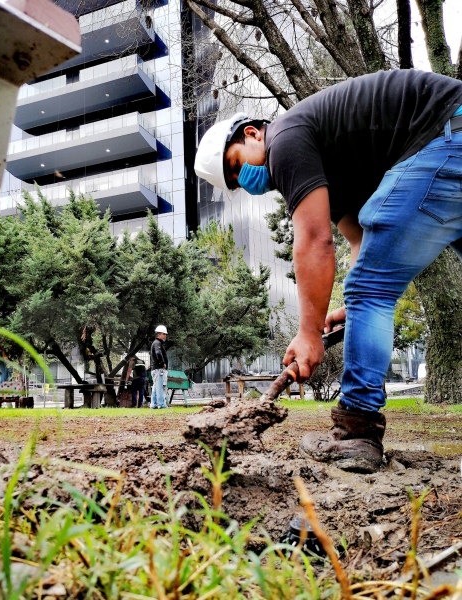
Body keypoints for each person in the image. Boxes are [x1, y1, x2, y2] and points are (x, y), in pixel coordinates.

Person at [194, 69, 462, 473]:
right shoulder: (326, 163)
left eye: (236, 165)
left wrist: (308, 332)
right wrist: (351, 308)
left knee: (369, 289)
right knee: (367, 288)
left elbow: (315, 241)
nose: (243, 180)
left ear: (251, 133)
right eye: (235, 182)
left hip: (445, 134)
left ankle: (357, 429)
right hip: (450, 132)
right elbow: (359, 244)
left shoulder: (284, 140)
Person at [150, 325, 169, 409]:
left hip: (155, 369)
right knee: (160, 387)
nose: (165, 336)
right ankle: (161, 404)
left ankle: (153, 404)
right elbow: (158, 354)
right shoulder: (157, 343)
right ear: (159, 334)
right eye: (164, 334)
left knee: (155, 387)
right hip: (158, 369)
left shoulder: (155, 343)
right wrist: (162, 363)